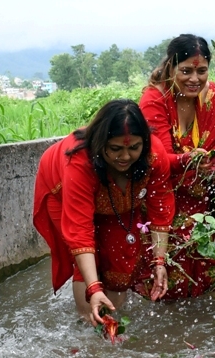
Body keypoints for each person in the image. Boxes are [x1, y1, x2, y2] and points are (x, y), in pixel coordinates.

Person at [32, 99, 175, 324]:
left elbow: (160, 209)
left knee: (121, 253)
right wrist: (94, 287)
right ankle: (88, 322)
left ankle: (113, 321)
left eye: (134, 148)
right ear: (101, 143)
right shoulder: (79, 162)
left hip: (117, 197)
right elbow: (80, 233)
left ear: (144, 144)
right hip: (62, 191)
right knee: (85, 259)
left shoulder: (153, 155)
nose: (126, 157)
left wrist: (159, 262)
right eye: (116, 149)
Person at [138, 34, 215, 298]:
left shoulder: (212, 96)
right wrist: (189, 160)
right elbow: (155, 159)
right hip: (162, 198)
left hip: (203, 198)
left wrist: (210, 163)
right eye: (186, 71)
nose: (195, 79)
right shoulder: (154, 100)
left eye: (202, 71)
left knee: (207, 273)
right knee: (166, 275)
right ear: (171, 67)